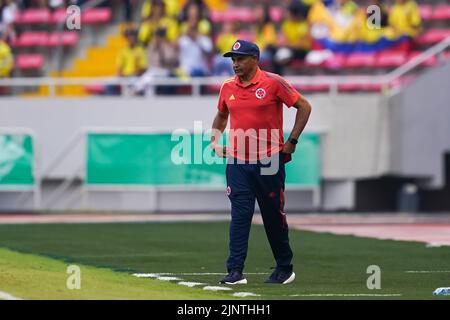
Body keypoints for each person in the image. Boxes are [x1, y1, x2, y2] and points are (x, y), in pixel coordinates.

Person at [210, 40, 312, 284]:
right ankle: (235, 272)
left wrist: (292, 141)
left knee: (273, 217)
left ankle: (285, 268)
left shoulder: (273, 83)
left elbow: (304, 106)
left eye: (240, 58)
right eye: (233, 59)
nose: (235, 63)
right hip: (237, 163)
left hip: (269, 162)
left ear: (255, 59)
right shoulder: (227, 87)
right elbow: (222, 115)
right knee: (240, 216)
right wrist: (215, 142)